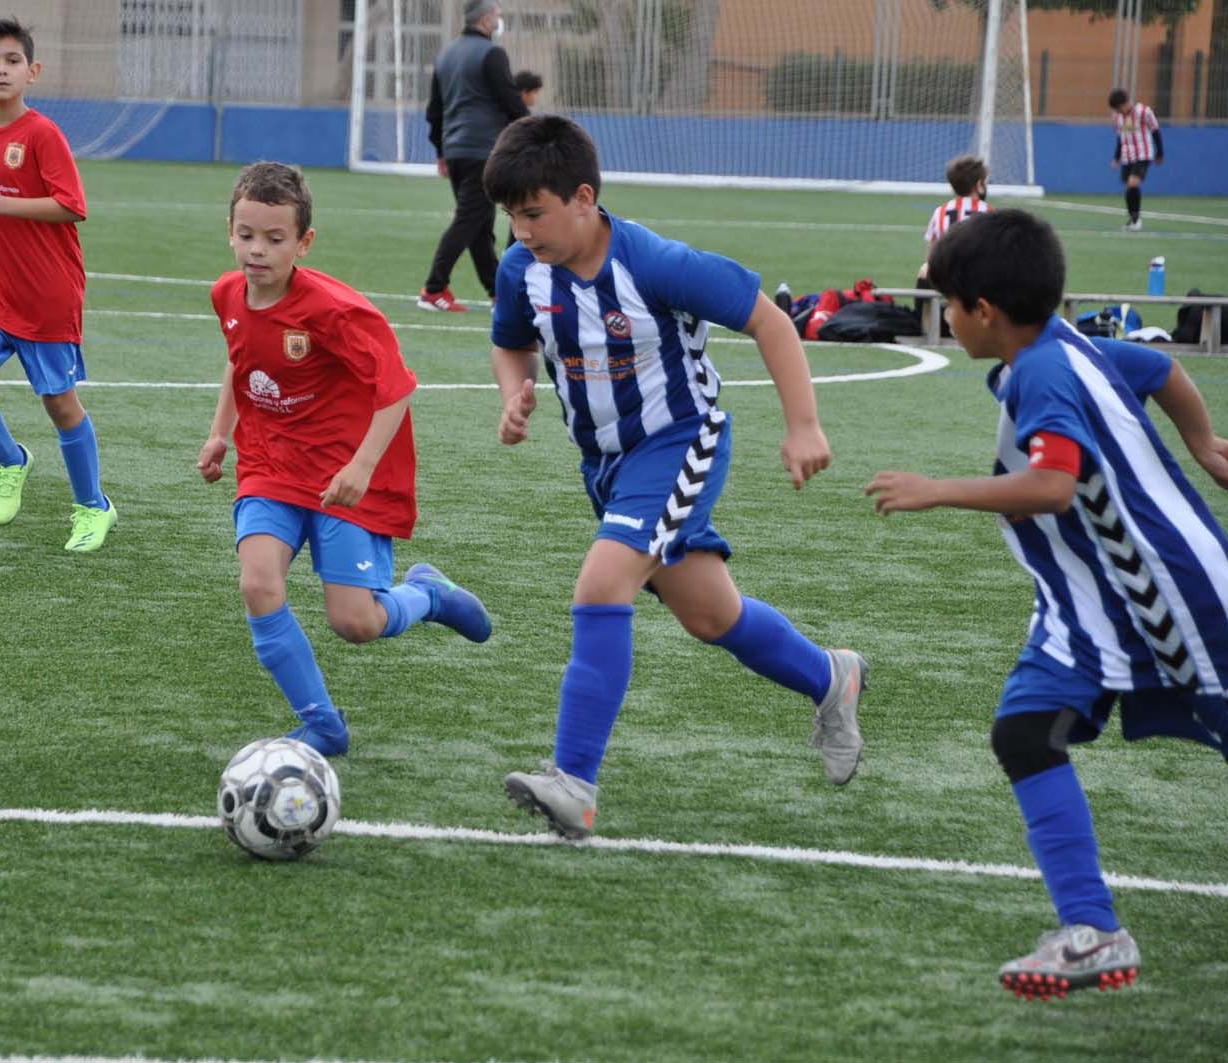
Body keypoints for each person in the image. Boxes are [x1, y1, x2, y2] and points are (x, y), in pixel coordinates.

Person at [864, 209, 1228, 1001]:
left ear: (985, 313)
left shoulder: (1041, 371)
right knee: (1026, 730)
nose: (948, 319)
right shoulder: (1067, 344)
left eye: (950, 306)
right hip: (1089, 608)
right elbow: (1161, 371)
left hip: (1175, 599)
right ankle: (1092, 930)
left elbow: (1052, 484)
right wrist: (1202, 444)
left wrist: (938, 490)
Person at [484, 115, 868, 839]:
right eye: (512, 214)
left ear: (585, 198)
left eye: (533, 212)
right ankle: (831, 676)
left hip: (681, 443)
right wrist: (515, 392)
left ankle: (574, 782)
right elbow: (510, 344)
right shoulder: (520, 270)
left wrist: (804, 425)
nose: (523, 229)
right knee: (710, 615)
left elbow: (771, 322)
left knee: (602, 583)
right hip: (606, 465)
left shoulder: (657, 263)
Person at [198, 162, 493, 756]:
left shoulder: (333, 310)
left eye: (275, 239)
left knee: (355, 623)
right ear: (230, 230)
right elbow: (240, 360)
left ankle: (428, 594)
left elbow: (398, 386)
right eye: (247, 235)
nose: (258, 251)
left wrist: (360, 467)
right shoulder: (227, 294)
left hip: (340, 477)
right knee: (258, 585)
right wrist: (220, 434)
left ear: (303, 242)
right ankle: (324, 724)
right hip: (269, 467)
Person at [0, 18, 117, 553]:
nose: (1, 69)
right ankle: (11, 462)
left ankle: (93, 506)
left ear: (32, 72)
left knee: (60, 405)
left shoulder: (43, 134)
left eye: (12, 61)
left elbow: (72, 207)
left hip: (47, 294)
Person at [417, 0, 527, 313]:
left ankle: (497, 294)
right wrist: (533, 132)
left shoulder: (446, 55)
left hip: (455, 150)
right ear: (487, 18)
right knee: (470, 219)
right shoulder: (492, 54)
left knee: (479, 224)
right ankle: (434, 288)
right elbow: (511, 101)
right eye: (498, 14)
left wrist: (441, 151)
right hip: (484, 150)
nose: (499, 19)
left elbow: (434, 111)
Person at [916, 154, 991, 333]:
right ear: (980, 184)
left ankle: (925, 323)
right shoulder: (989, 213)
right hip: (977, 280)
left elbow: (931, 253)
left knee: (925, 269)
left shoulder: (940, 212)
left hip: (947, 278)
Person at [1108, 87, 1162, 232]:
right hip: (1127, 156)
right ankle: (1133, 219)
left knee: (1133, 184)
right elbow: (1120, 138)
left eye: (1118, 109)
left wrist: (1160, 153)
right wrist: (1116, 157)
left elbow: (1155, 130)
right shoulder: (1119, 119)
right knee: (1129, 188)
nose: (1118, 112)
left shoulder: (1143, 112)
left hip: (1143, 155)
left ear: (1124, 104)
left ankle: (1136, 221)